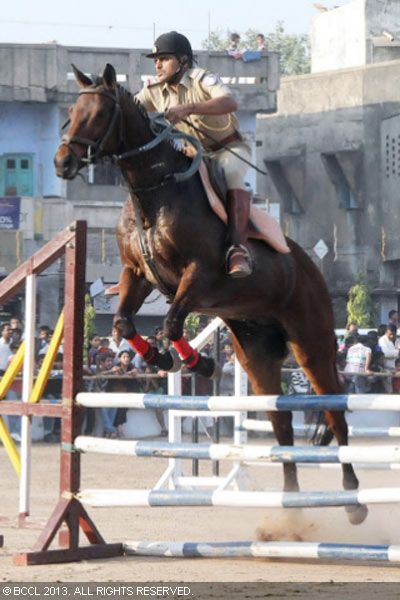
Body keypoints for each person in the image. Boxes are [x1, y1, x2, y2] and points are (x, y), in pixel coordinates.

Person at [137, 31, 289, 278]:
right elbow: (130, 110)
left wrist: (189, 108)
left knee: (229, 173)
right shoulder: (153, 90)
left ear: (183, 61)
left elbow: (230, 102)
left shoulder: (202, 79)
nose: (157, 64)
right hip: (190, 156)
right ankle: (139, 265)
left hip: (227, 150)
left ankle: (237, 249)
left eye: (164, 58)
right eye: (156, 59)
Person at [378, 324, 399, 392]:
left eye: (393, 334)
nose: (392, 336)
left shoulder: (398, 339)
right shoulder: (382, 340)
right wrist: (397, 351)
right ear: (386, 332)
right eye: (390, 334)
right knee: (389, 391)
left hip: (398, 369)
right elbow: (385, 353)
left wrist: (393, 352)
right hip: (387, 369)